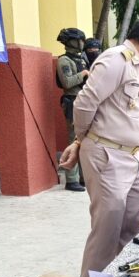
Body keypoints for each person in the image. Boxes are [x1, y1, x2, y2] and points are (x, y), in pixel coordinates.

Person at [60, 13, 139, 277]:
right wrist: (82, 140)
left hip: (130, 157)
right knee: (107, 232)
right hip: (107, 155)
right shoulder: (116, 60)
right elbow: (83, 104)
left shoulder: (137, 66)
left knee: (134, 226)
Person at [56, 27, 89, 192]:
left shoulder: (81, 58)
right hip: (73, 102)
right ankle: (71, 180)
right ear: (72, 42)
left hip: (84, 101)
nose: (82, 43)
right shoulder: (64, 61)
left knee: (84, 141)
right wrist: (83, 74)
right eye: (79, 40)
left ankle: (83, 177)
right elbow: (67, 82)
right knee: (73, 141)